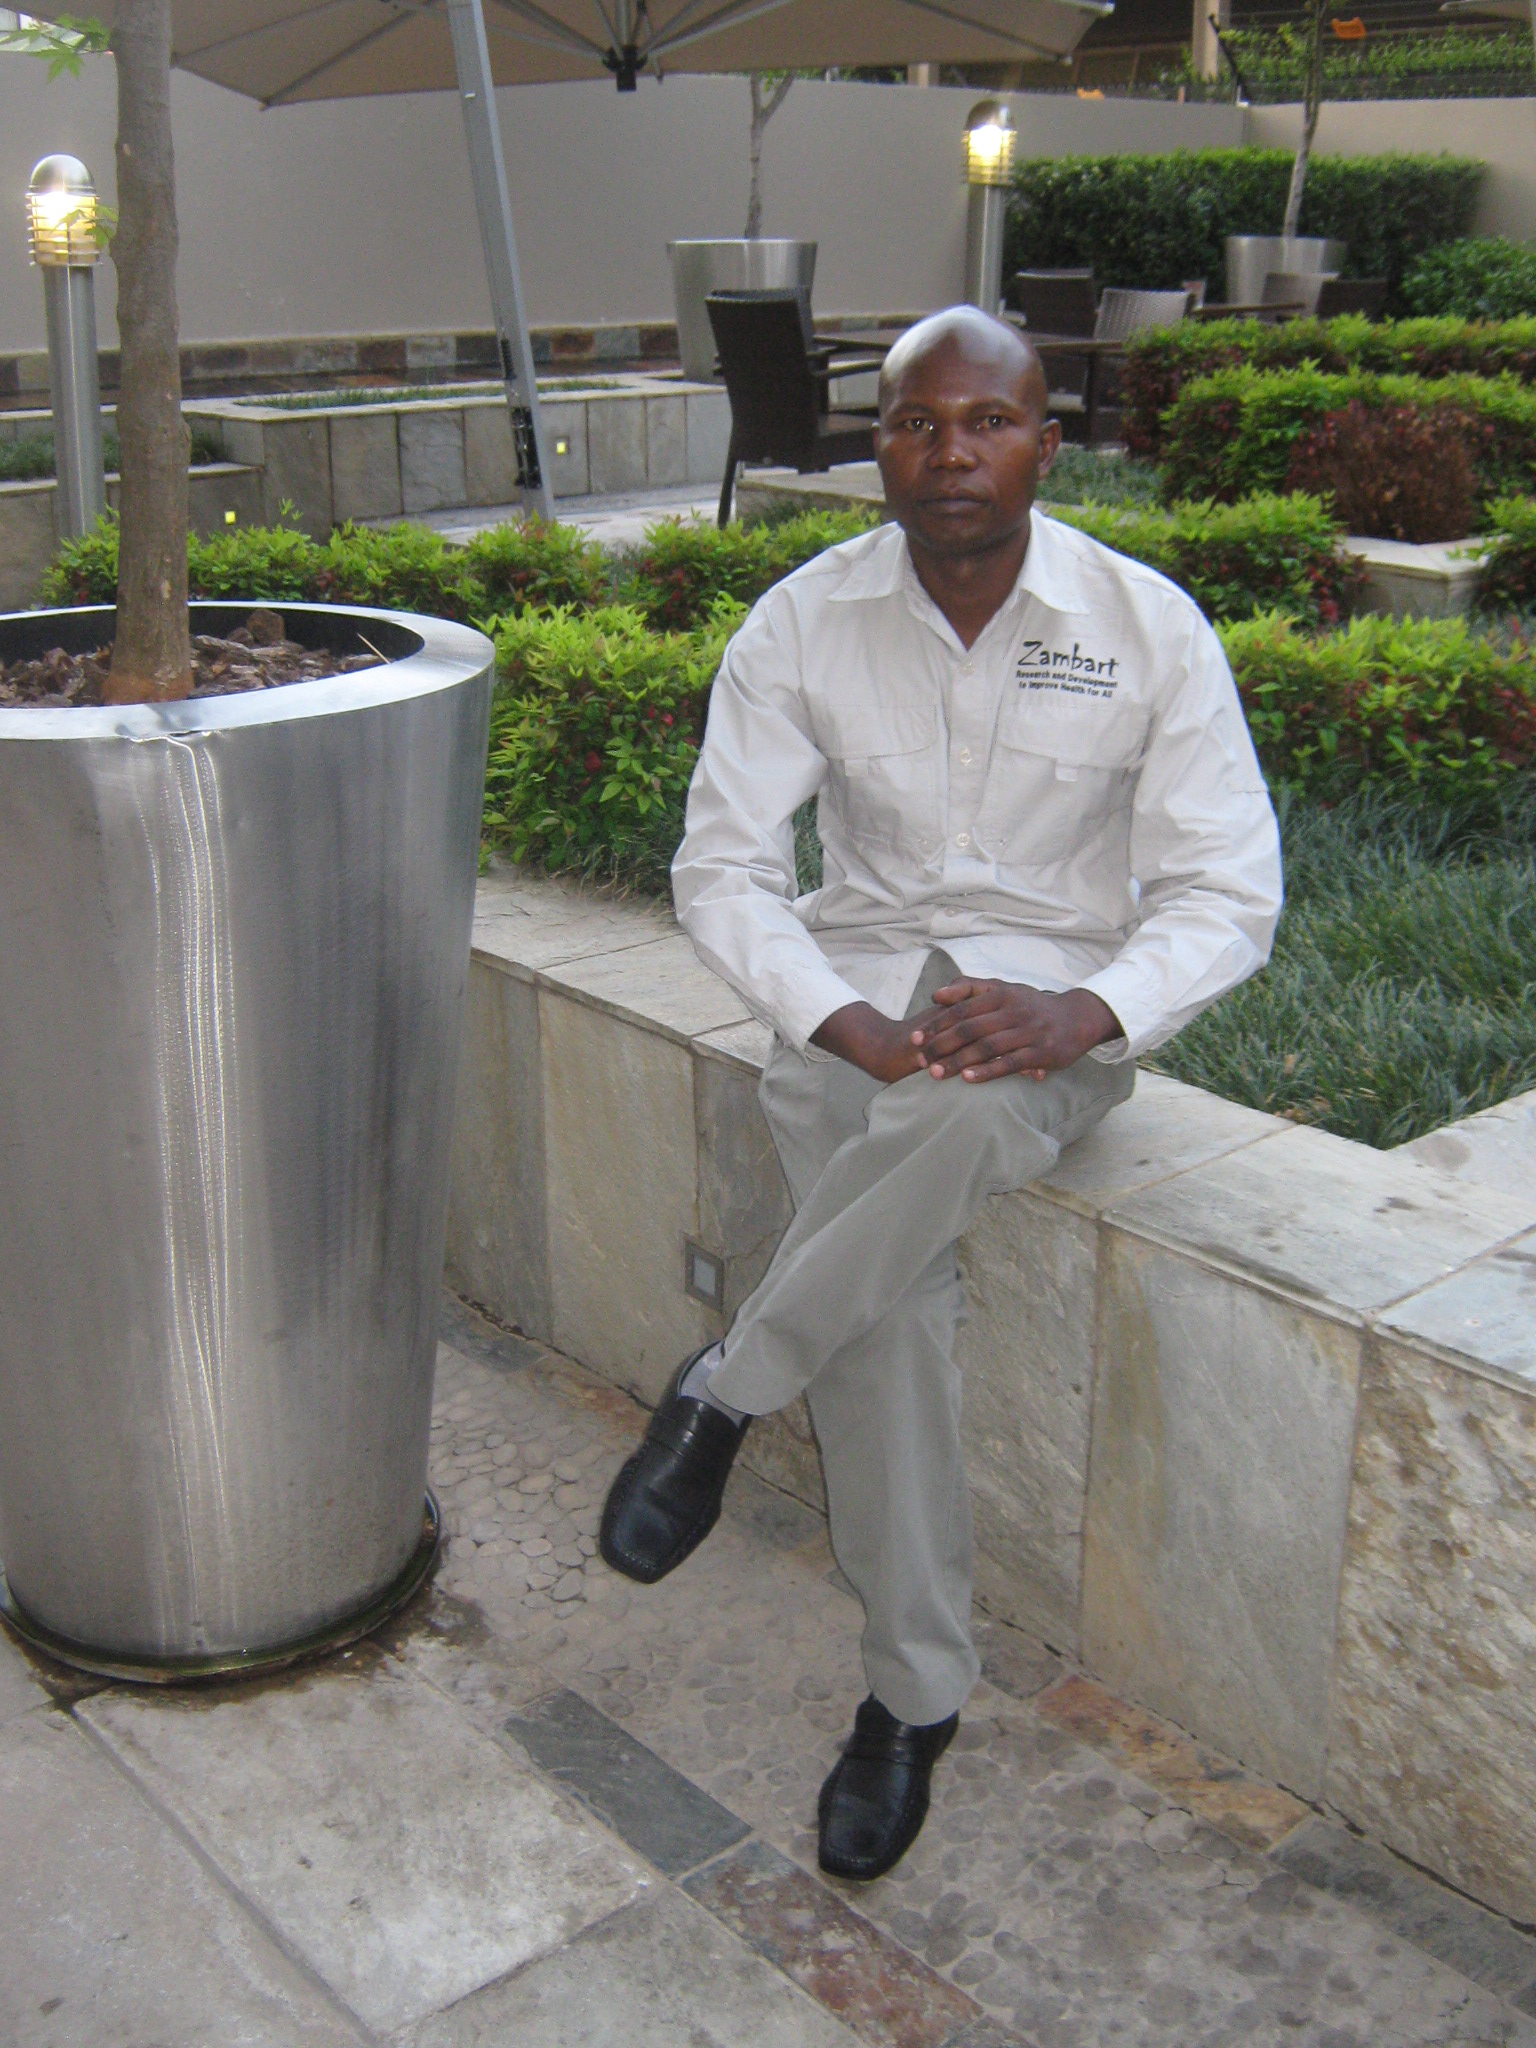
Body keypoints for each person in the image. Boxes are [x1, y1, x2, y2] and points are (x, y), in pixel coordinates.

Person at [600, 306, 1282, 1882]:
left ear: (1048, 445)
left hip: (1048, 1017)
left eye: (989, 422)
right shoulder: (803, 622)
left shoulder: (1148, 626)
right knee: (896, 1305)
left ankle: (730, 1388)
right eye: (918, 423)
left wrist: (1081, 1011)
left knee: (972, 1103)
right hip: (855, 1005)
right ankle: (915, 1701)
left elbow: (1228, 892)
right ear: (880, 447)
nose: (951, 452)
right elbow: (724, 868)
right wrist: (846, 1025)